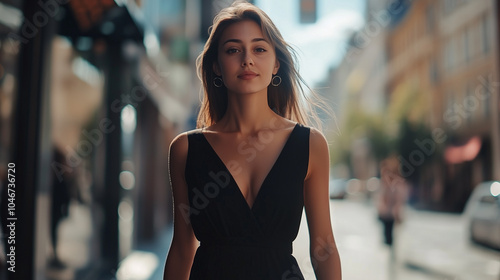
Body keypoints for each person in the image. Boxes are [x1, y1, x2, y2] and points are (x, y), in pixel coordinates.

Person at [163, 2, 341, 279]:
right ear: (216, 67)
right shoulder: (185, 149)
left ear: (276, 64)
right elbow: (183, 249)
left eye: (259, 48)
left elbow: (324, 246)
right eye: (233, 50)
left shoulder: (310, 144)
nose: (247, 59)